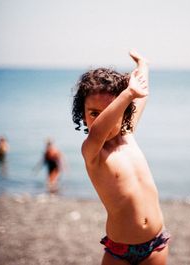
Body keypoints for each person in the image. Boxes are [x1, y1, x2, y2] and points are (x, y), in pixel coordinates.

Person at [72, 51, 170, 265]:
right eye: (94, 113)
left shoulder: (128, 134)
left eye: (111, 111)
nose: (105, 118)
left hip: (156, 242)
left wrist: (143, 66)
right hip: (120, 250)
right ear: (82, 113)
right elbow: (98, 131)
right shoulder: (93, 152)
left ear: (123, 111)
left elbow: (142, 92)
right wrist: (127, 94)